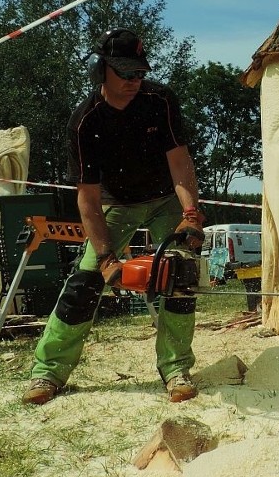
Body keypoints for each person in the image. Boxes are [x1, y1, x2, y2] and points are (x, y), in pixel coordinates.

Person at [23, 27, 205, 405]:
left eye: (139, 73)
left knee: (180, 274)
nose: (134, 81)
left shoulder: (161, 100)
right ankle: (48, 372)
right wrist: (107, 258)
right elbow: (87, 200)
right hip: (115, 203)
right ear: (101, 69)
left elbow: (180, 163)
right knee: (85, 282)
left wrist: (190, 215)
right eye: (125, 73)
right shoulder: (85, 122)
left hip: (165, 198)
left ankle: (175, 368)